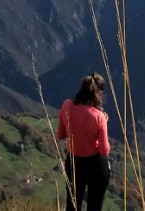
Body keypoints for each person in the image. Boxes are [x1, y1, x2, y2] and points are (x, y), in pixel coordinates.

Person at [57, 72, 110, 211]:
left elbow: (60, 134)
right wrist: (104, 122)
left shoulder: (67, 106)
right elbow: (104, 150)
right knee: (95, 206)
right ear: (99, 94)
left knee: (72, 205)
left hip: (74, 163)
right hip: (96, 165)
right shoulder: (99, 117)